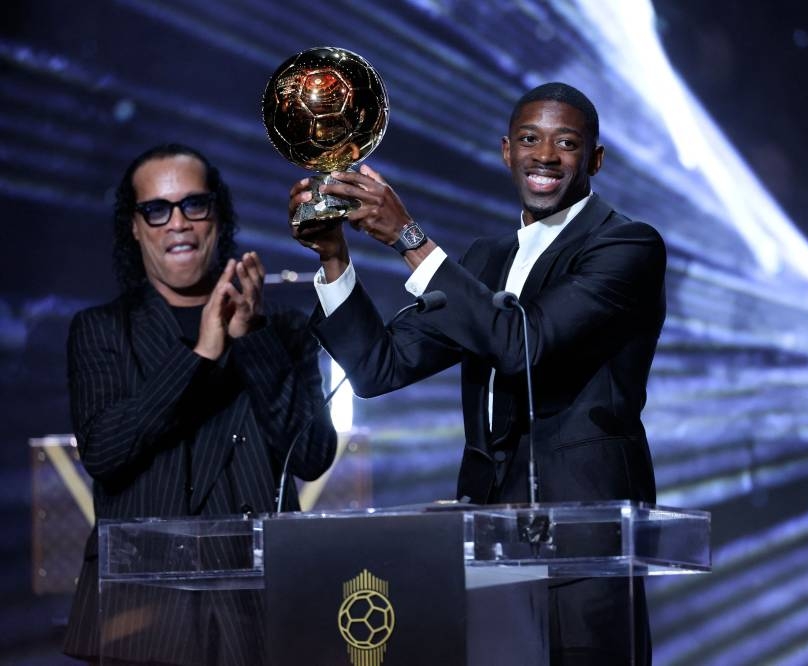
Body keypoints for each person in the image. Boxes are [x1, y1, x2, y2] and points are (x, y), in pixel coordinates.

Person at [291, 83, 665, 665]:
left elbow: (522, 344)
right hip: (485, 536)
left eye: (566, 143)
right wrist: (335, 258)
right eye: (530, 140)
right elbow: (378, 367)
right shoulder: (486, 260)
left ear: (594, 159)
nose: (546, 156)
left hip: (584, 539)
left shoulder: (626, 245)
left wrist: (408, 238)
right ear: (506, 152)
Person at [64, 143, 338, 665]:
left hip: (263, 604)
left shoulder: (281, 328)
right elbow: (104, 451)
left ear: (218, 214)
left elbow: (312, 456)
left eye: (194, 204)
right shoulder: (102, 330)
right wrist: (202, 354)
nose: (178, 223)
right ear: (135, 227)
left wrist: (251, 337)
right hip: (144, 611)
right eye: (156, 209)